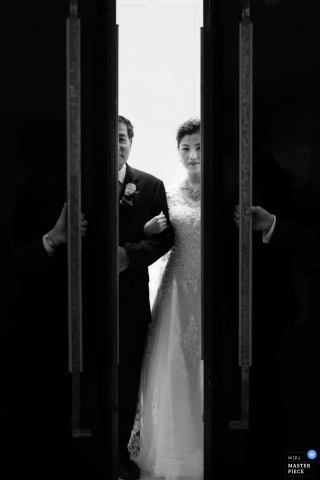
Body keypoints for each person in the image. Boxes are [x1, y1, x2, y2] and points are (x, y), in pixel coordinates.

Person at [127, 118, 203, 480]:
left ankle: (206, 445)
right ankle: (174, 450)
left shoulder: (225, 192)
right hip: (177, 288)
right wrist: (144, 231)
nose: (192, 155)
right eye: (186, 148)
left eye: (199, 147)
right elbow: (156, 240)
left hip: (208, 289)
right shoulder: (167, 194)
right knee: (174, 366)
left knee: (206, 369)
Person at [116, 116, 175, 480]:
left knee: (126, 378)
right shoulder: (81, 181)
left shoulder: (151, 185)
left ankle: (120, 452)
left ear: (131, 142)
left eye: (122, 137)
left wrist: (129, 254)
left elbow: (166, 238)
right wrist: (136, 233)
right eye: (111, 138)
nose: (118, 143)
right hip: (84, 300)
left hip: (131, 301)